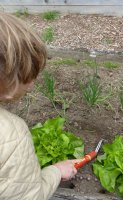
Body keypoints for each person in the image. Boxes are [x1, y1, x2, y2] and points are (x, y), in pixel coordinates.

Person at [0, 12, 80, 200]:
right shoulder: (12, 134)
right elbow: (28, 196)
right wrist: (56, 171)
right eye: (30, 72)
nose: (34, 82)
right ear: (7, 82)